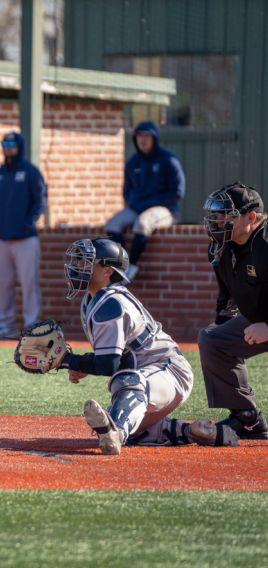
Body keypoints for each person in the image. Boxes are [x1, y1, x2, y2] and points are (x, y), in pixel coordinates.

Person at [61, 237, 237, 454]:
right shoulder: (95, 300)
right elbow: (116, 356)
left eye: (85, 261)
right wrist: (83, 364)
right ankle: (192, 431)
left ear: (108, 271)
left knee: (126, 386)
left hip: (169, 370)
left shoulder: (110, 302)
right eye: (78, 260)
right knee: (127, 419)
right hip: (149, 374)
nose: (78, 266)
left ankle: (116, 434)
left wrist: (65, 360)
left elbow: (108, 365)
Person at [197, 182, 268, 440]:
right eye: (215, 214)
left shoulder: (266, 247)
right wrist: (220, 321)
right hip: (255, 321)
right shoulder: (220, 245)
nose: (217, 221)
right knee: (211, 340)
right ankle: (247, 418)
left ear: (251, 218)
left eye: (226, 214)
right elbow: (226, 295)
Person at [104, 121, 185, 282]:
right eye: (139, 135)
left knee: (141, 224)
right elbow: (126, 191)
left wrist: (152, 201)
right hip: (137, 208)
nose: (143, 139)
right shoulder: (133, 162)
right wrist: (134, 202)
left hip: (165, 209)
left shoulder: (168, 159)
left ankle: (131, 267)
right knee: (111, 224)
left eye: (147, 135)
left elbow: (178, 191)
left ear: (154, 138)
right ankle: (120, 266)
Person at [0, 132, 47, 338]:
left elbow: (40, 201)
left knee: (29, 282)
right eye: (5, 143)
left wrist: (27, 224)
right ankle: (4, 326)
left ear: (20, 146)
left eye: (12, 143)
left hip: (25, 239)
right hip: (2, 240)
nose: (8, 147)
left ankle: (32, 325)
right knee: (3, 284)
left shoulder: (31, 172)